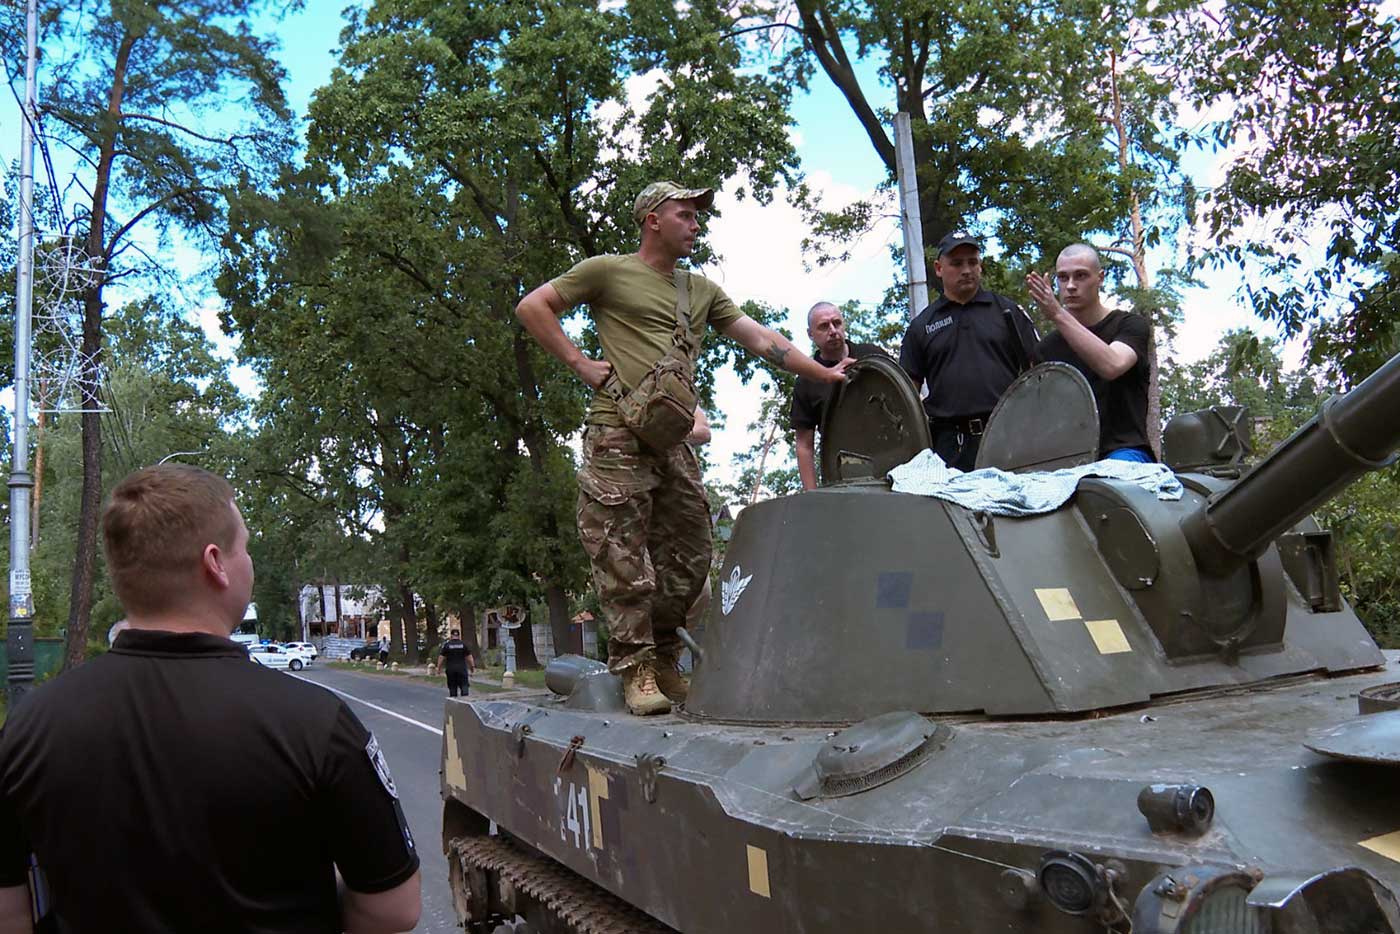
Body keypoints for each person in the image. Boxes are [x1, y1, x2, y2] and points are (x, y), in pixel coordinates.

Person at [0, 465, 421, 934]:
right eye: (245, 546)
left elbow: (8, 912)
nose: (250, 562)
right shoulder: (316, 723)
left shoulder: (27, 727)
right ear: (216, 562)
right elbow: (392, 908)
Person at [516, 180, 853, 716]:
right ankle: (636, 667)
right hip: (616, 433)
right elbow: (534, 306)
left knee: (694, 552)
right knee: (622, 555)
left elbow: (763, 340)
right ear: (653, 218)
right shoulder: (607, 271)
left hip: (671, 440)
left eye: (698, 216)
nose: (696, 224)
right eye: (686, 214)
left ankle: (668, 657)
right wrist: (580, 364)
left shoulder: (701, 291)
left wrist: (823, 373)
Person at [899, 231, 1040, 471]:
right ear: (938, 268)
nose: (966, 270)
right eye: (956, 263)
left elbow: (1040, 373)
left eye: (972, 262)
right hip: (949, 446)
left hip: (1009, 436)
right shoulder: (921, 326)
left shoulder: (1007, 312)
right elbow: (906, 394)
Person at [1026, 243, 1153, 461]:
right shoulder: (1046, 349)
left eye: (1081, 276)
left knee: (1104, 484)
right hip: (1067, 458)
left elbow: (1112, 365)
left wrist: (1057, 314)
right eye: (1063, 278)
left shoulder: (1130, 325)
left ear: (1100, 278)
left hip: (1124, 453)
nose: (1071, 285)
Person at [790, 301, 887, 490]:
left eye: (837, 323)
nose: (833, 330)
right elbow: (804, 445)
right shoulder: (807, 380)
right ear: (811, 334)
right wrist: (813, 495)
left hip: (889, 455)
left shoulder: (873, 356)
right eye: (824, 326)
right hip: (843, 472)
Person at [436, 628, 477, 698]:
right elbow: (469, 657)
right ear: (459, 635)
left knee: (452, 687)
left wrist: (438, 668)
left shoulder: (447, 645)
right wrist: (472, 667)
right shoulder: (463, 645)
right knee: (464, 685)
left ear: (451, 635)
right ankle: (465, 701)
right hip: (462, 669)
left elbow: (441, 657)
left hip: (450, 669)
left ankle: (454, 702)